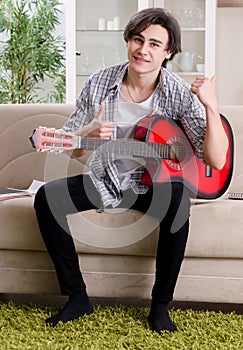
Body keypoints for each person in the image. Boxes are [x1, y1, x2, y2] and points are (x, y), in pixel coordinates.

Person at [34, 8, 228, 333]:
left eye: (155, 44)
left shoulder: (178, 93)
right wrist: (89, 132)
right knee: (46, 197)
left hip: (156, 185)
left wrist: (211, 105)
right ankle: (77, 297)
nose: (144, 50)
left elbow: (216, 160)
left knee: (178, 199)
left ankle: (160, 307)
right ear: (128, 41)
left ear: (167, 53)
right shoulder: (99, 82)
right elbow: (72, 146)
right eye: (138, 40)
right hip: (105, 180)